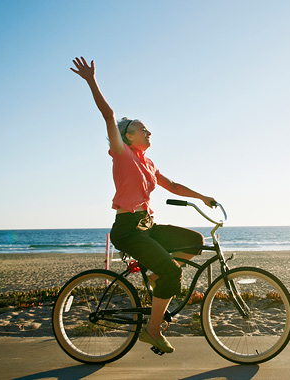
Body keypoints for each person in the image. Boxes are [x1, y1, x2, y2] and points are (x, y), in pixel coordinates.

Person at [70, 56, 216, 354]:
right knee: (173, 274)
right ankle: (152, 330)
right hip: (128, 228)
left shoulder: (147, 162)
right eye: (143, 129)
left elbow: (172, 186)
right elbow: (109, 115)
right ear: (128, 136)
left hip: (147, 227)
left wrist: (202, 197)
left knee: (195, 240)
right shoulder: (121, 153)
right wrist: (91, 81)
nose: (149, 132)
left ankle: (152, 275)